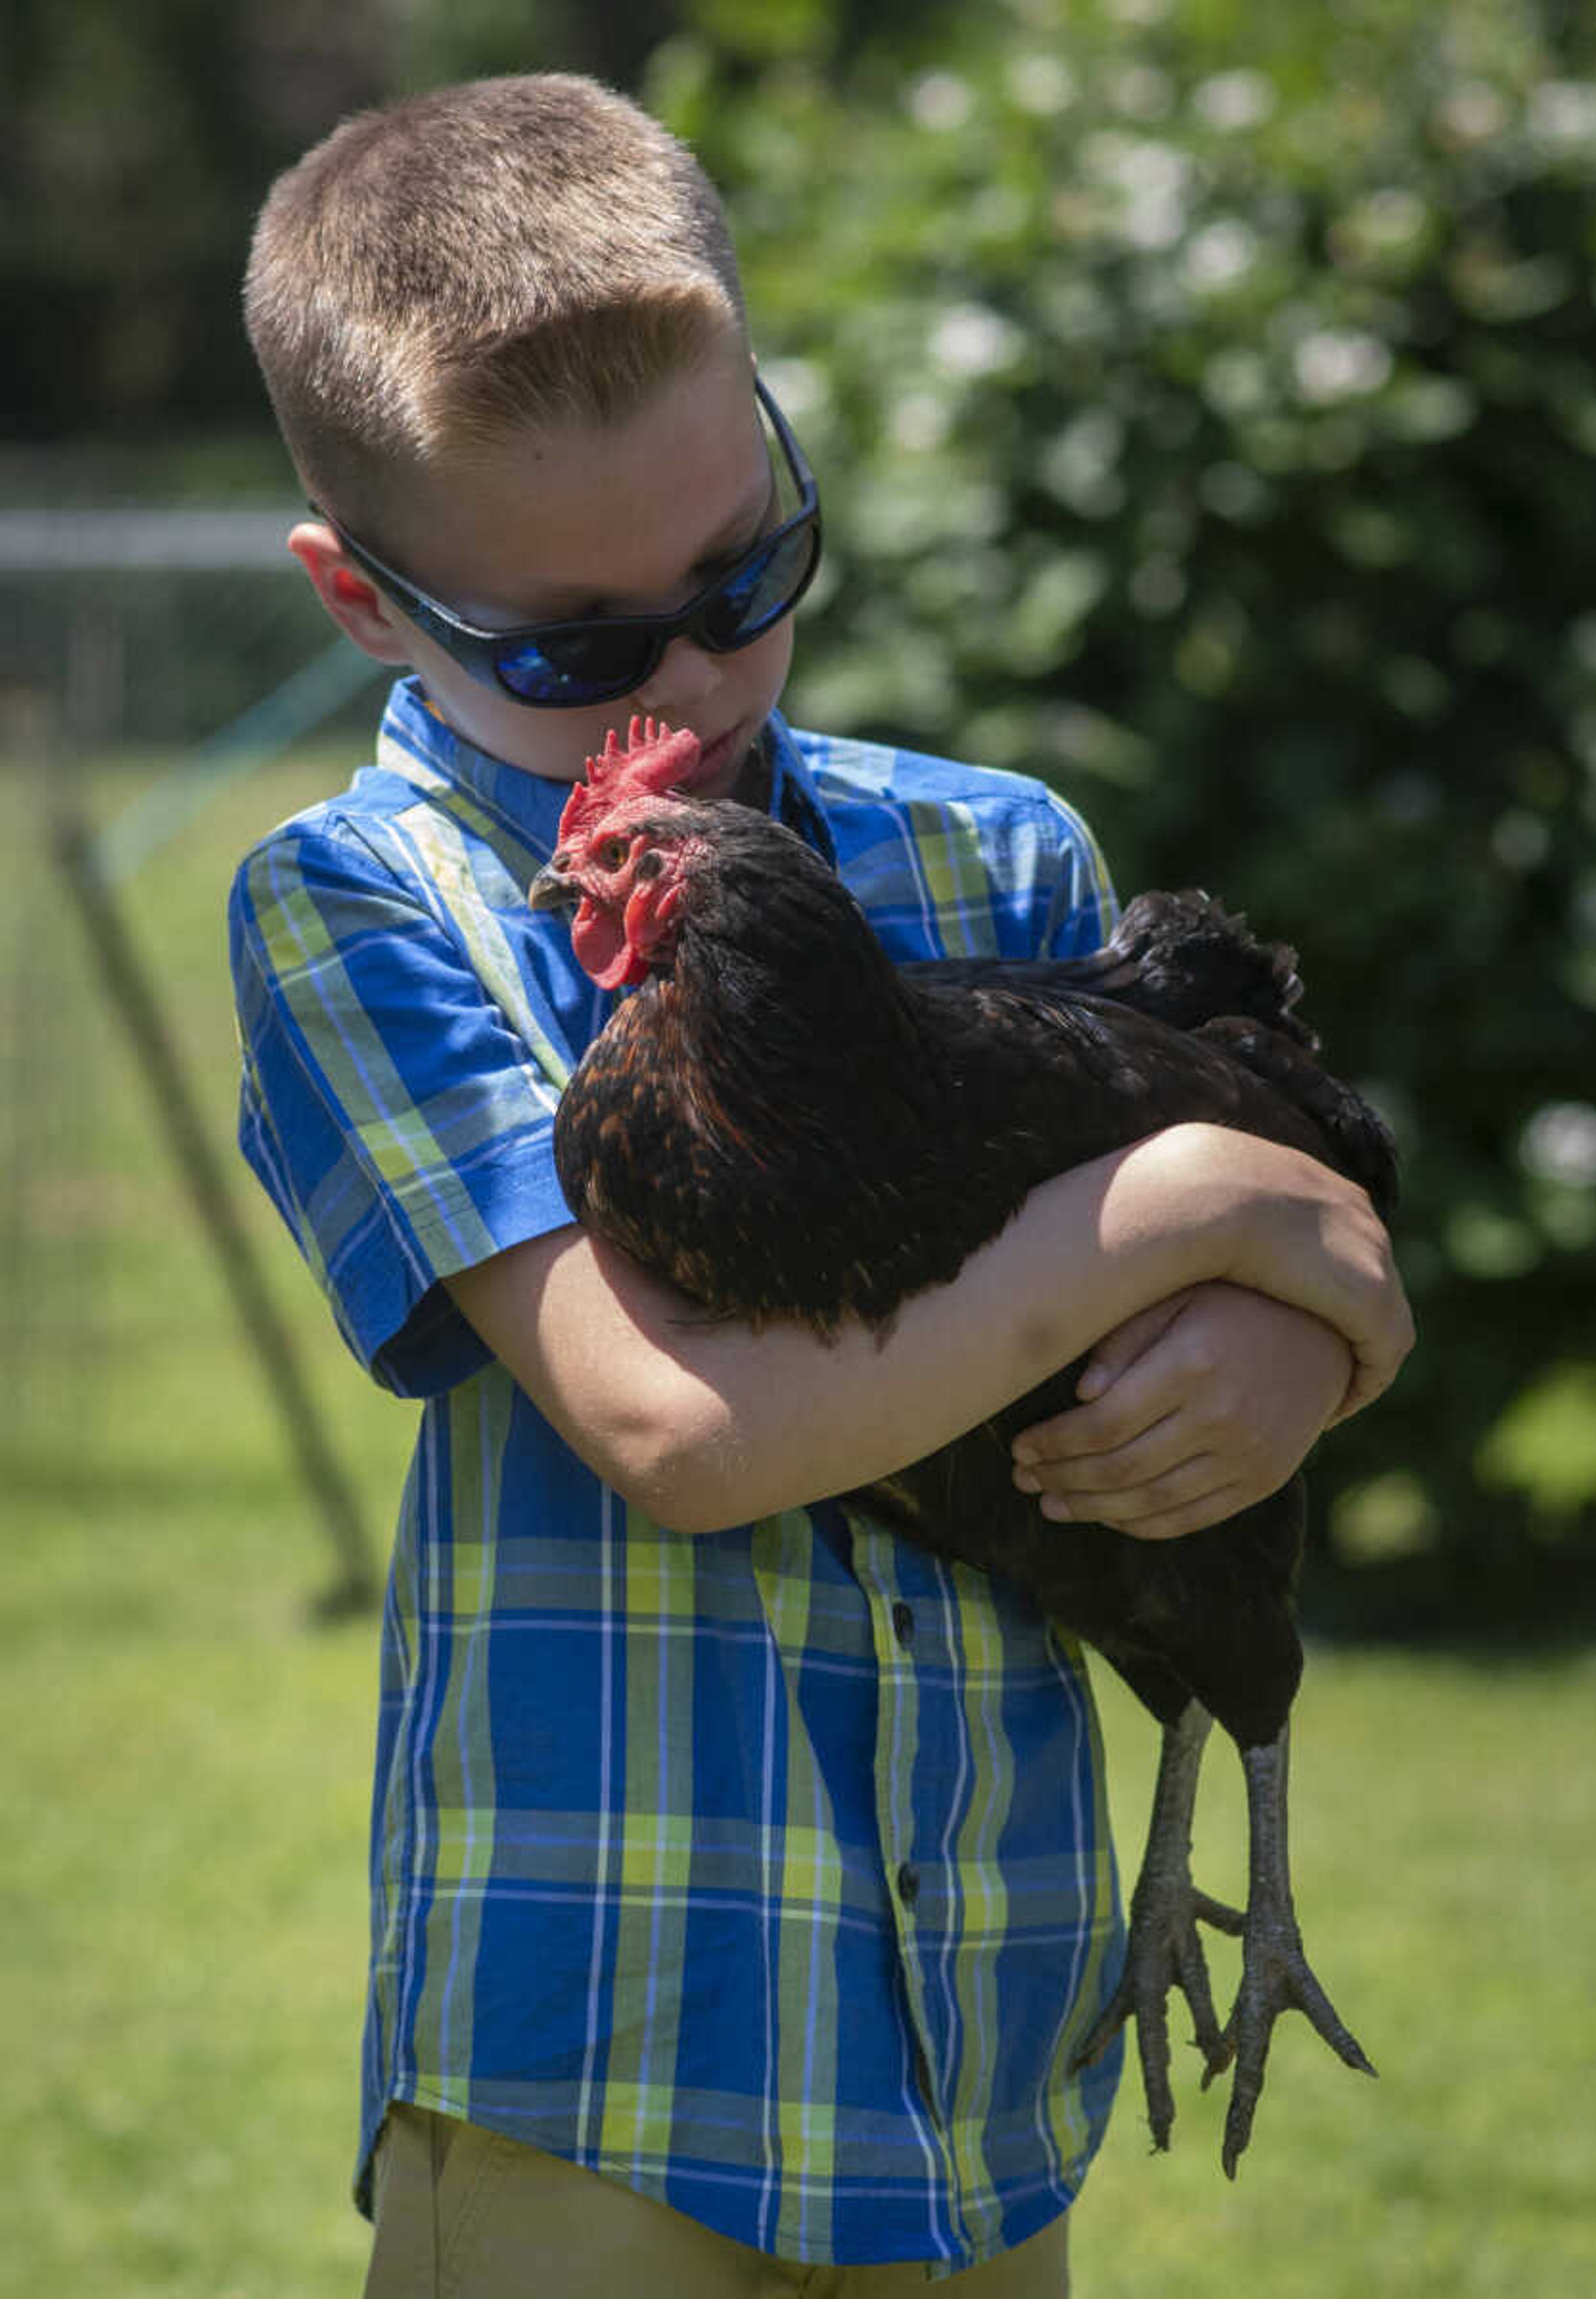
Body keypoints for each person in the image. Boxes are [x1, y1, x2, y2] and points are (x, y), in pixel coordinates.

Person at [231, 73, 1410, 2299]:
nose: (692, 675)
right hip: (602, 2046)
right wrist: (1191, 1221)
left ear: (772, 441)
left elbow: (1321, 1242)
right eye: (579, 650)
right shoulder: (366, 912)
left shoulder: (992, 853)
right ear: (365, 601)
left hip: (984, 2015)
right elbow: (687, 1432)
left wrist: (1295, 1317)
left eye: (748, 570)